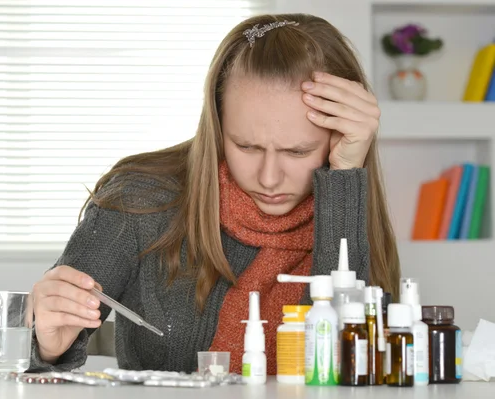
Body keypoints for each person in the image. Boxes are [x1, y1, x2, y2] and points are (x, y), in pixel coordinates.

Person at [28, 13, 400, 375]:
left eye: (297, 151)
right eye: (246, 146)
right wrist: (47, 343)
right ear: (217, 125)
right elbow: (36, 346)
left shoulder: (346, 201)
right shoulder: (139, 198)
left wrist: (346, 178)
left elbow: (353, 365)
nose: (269, 178)